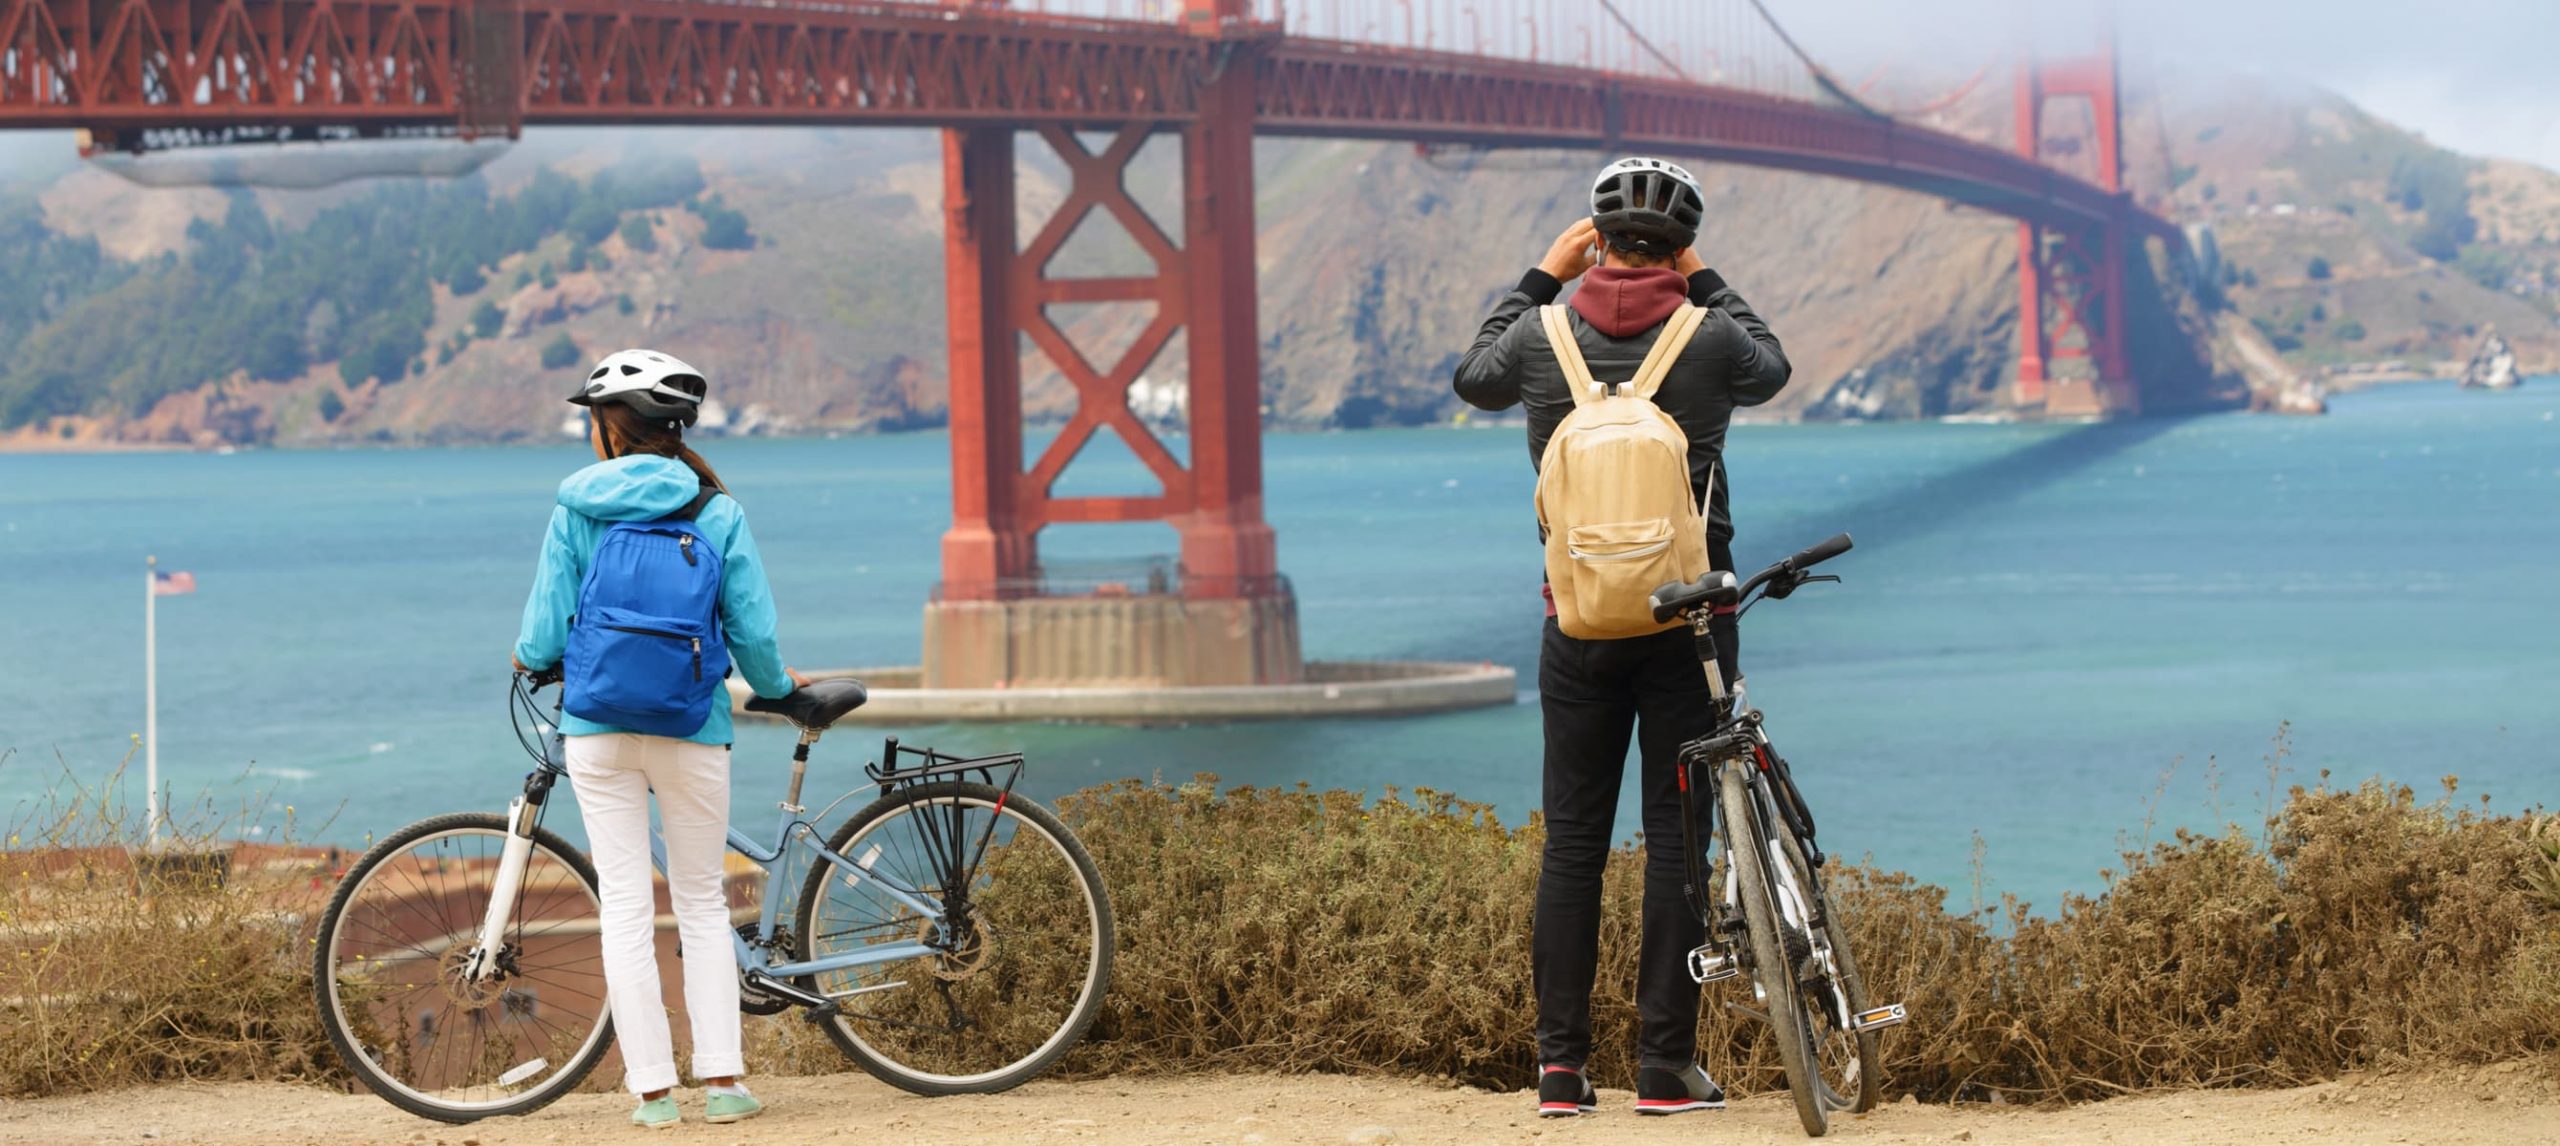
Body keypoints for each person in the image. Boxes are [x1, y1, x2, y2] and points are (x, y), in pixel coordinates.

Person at [1451, 158, 1791, 1116]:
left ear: (1597, 240)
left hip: (1577, 619)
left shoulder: (1537, 335)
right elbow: (1774, 367)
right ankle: (1663, 1068)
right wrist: (1706, 275)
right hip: (1692, 624)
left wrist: (1541, 277)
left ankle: (1561, 1071)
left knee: (1573, 845)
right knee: (1679, 843)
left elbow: (1472, 378)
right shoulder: (1713, 337)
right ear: (1678, 247)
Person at [511, 349, 808, 1129]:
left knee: (626, 909)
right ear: (673, 427)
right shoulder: (718, 511)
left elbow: (543, 632)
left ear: (610, 427)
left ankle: (651, 1093)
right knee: (705, 903)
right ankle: (724, 1084)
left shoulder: (577, 509)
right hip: (692, 727)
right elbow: (753, 635)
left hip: (599, 732)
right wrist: (778, 690)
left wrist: (530, 658)